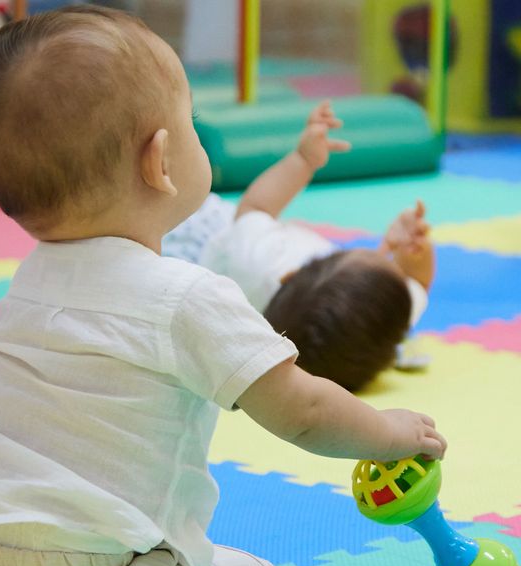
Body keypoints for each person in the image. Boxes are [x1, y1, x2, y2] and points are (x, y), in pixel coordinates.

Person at [0, 8, 446, 566]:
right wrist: (389, 432)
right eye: (191, 122)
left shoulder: (29, 282)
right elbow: (305, 410)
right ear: (159, 161)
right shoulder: (191, 296)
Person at [162, 100, 435, 392]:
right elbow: (416, 282)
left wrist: (303, 161)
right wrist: (410, 253)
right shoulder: (381, 324)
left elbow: (257, 206)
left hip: (199, 240)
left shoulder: (257, 263)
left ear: (289, 275)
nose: (383, 252)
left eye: (341, 253)